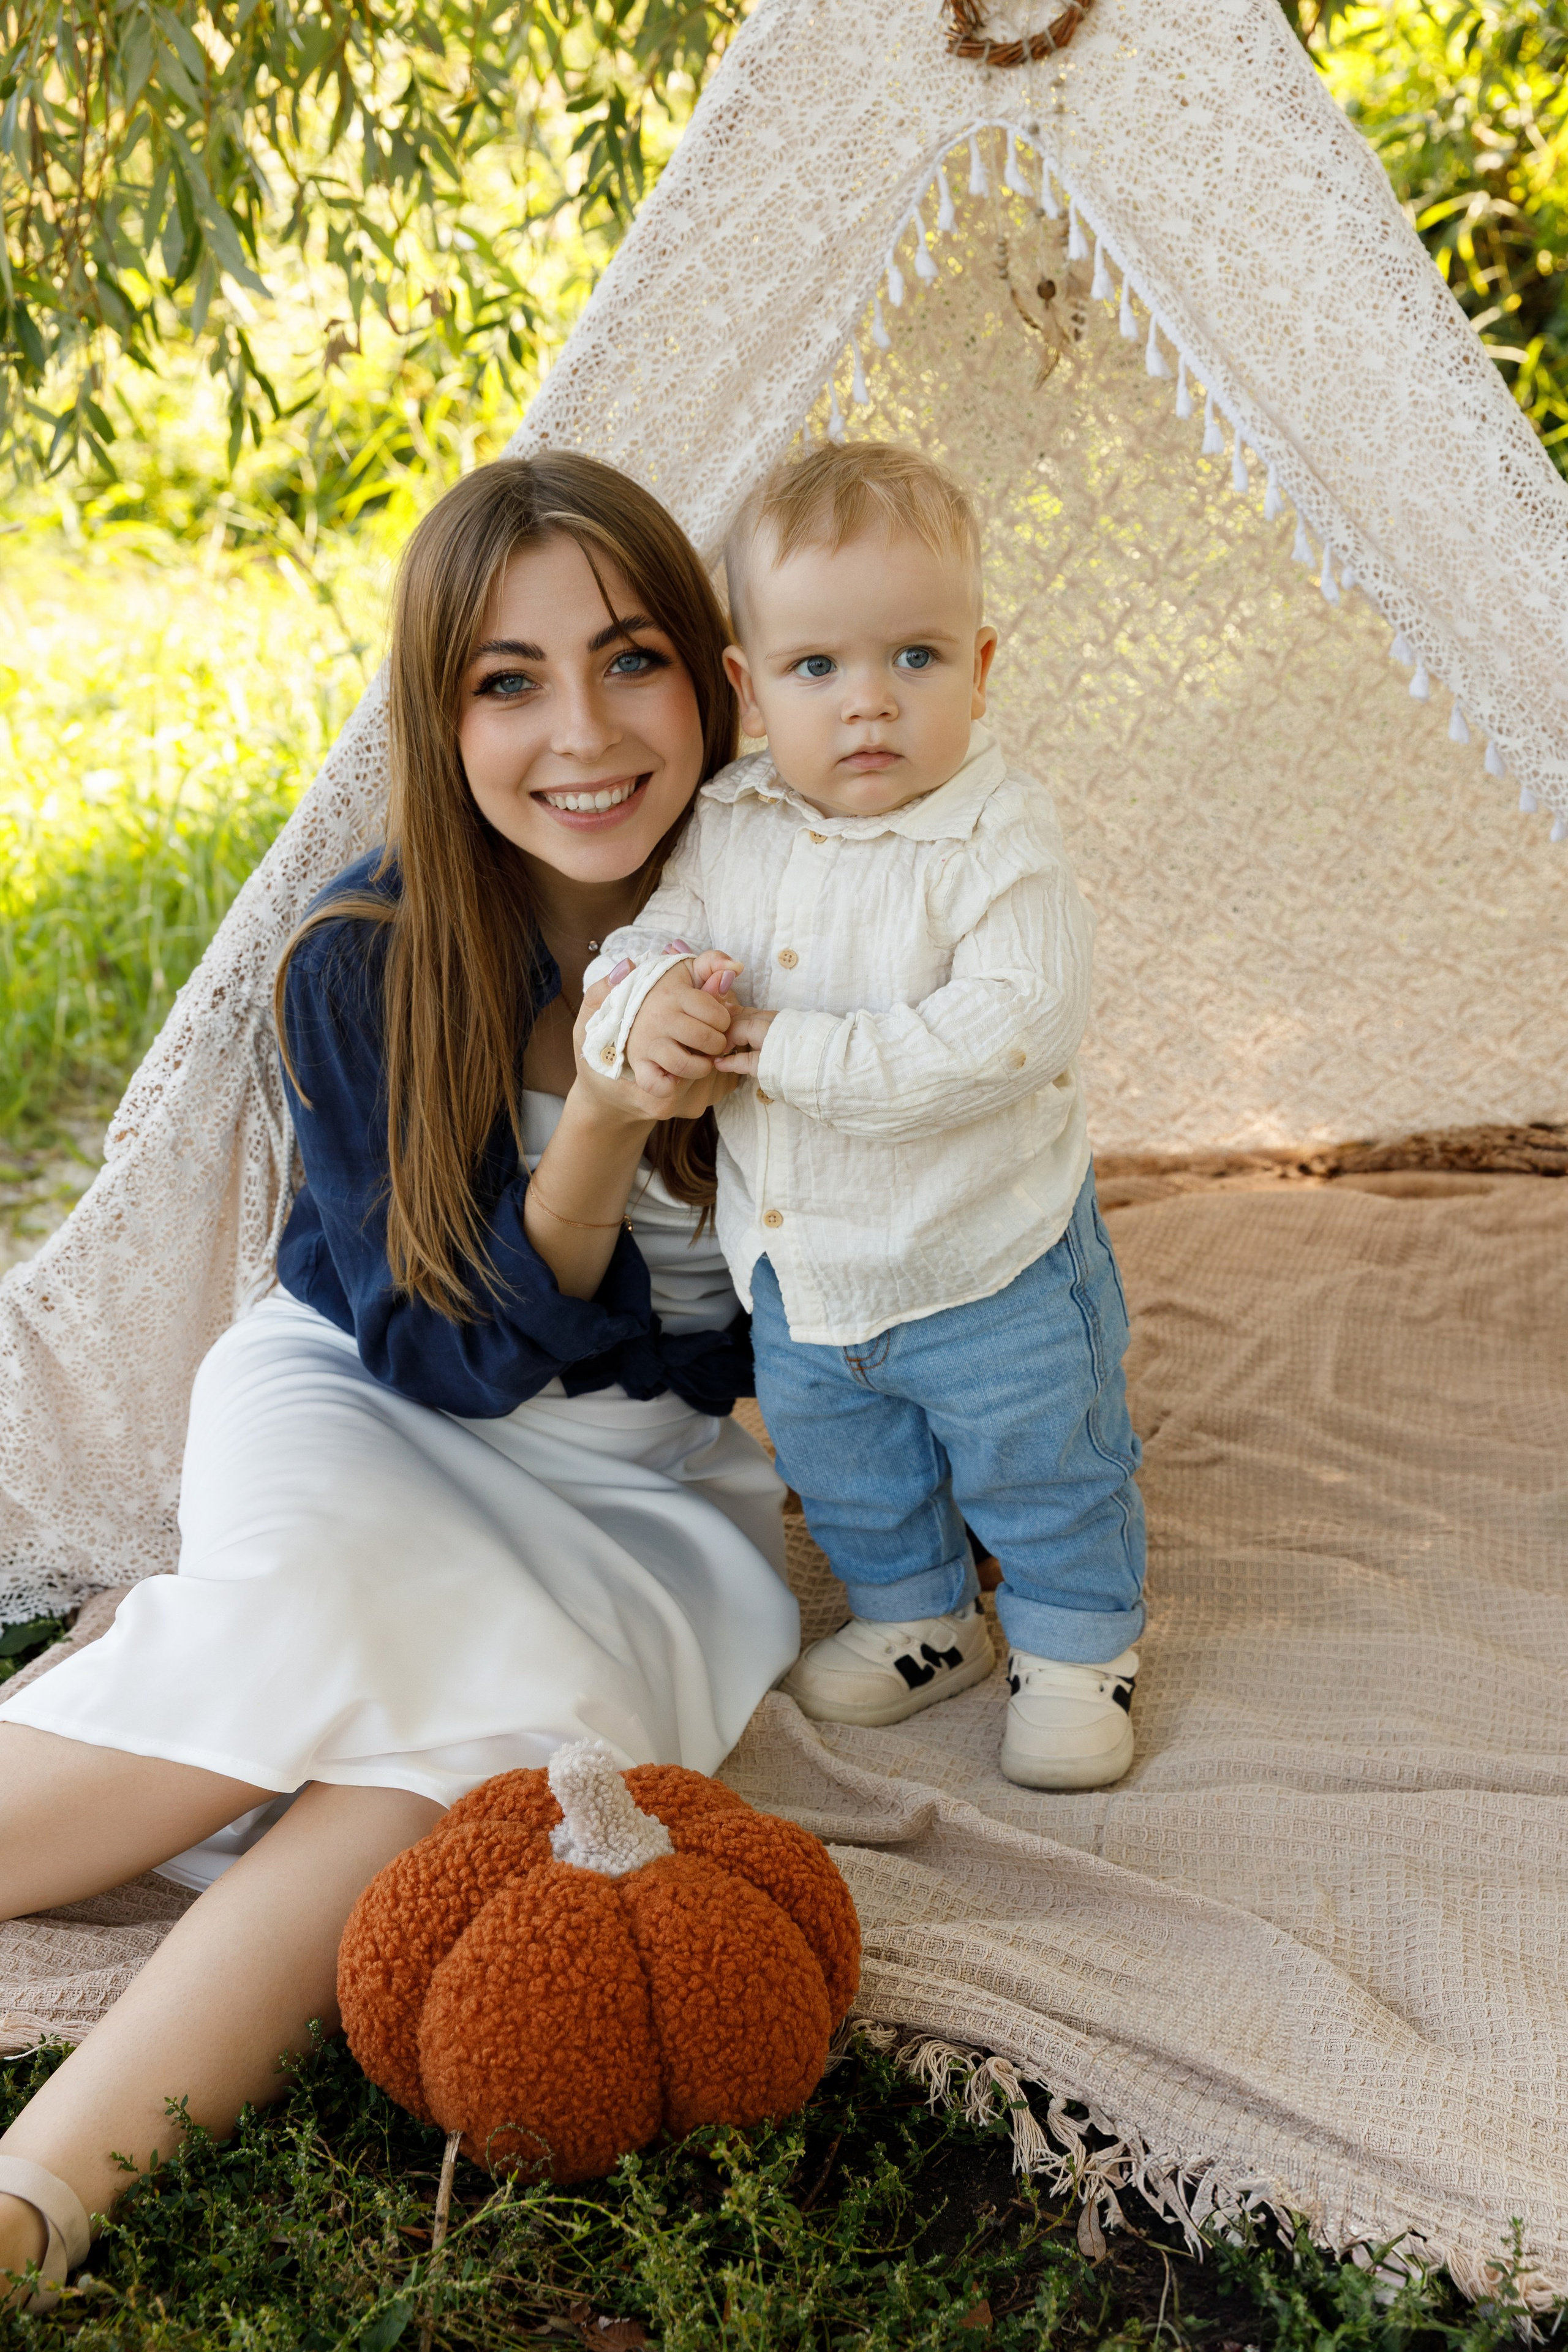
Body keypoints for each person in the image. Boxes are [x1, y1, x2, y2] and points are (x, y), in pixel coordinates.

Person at [0, 455, 798, 2305]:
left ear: (714, 681)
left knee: (477, 1765)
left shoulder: (795, 926)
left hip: (639, 1487)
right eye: (508, 683)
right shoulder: (367, 956)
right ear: (439, 723)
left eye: (629, 660)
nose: (581, 733)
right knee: (317, 1626)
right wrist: (601, 1118)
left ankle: (36, 2196)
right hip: (366, 1399)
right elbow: (442, 1354)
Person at [582, 441, 1146, 1793]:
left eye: (916, 657)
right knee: (849, 1469)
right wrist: (643, 1004)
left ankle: (1077, 1646)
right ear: (747, 686)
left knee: (1040, 1459)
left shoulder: (995, 839)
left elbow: (1009, 1028)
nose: (869, 702)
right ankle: (918, 1621)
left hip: (987, 1260)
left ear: (981, 668)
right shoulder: (729, 824)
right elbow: (645, 940)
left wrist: (785, 1049)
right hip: (805, 1272)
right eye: (816, 668)